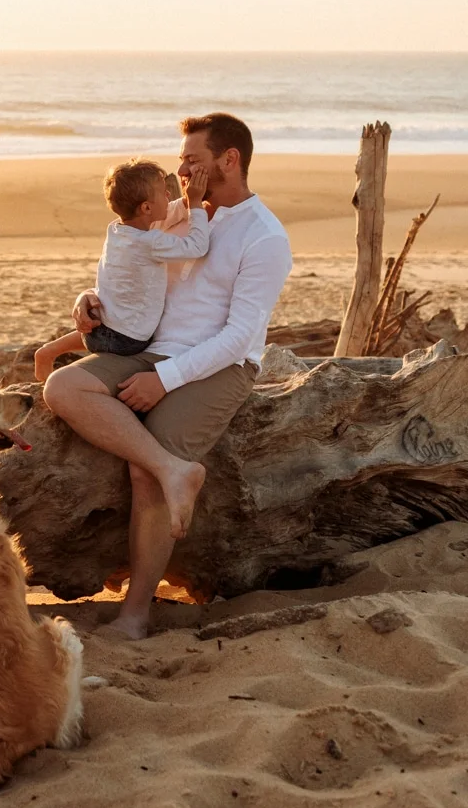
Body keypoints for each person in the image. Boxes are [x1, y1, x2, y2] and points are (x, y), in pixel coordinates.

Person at [42, 114, 292, 640]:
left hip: (219, 365)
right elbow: (126, 267)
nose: (181, 171)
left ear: (230, 160)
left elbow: (239, 337)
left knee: (143, 473)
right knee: (61, 387)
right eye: (180, 161)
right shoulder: (172, 214)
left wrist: (166, 380)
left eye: (193, 161)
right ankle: (175, 470)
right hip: (145, 349)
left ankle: (134, 616)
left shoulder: (265, 236)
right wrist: (87, 301)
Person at [33, 160, 212, 382]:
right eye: (163, 192)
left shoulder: (117, 230)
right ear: (146, 208)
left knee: (115, 316)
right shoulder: (149, 242)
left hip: (96, 331)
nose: (169, 194)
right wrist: (195, 204)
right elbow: (197, 246)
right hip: (128, 341)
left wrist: (184, 201)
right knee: (125, 326)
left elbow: (165, 213)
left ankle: (48, 351)